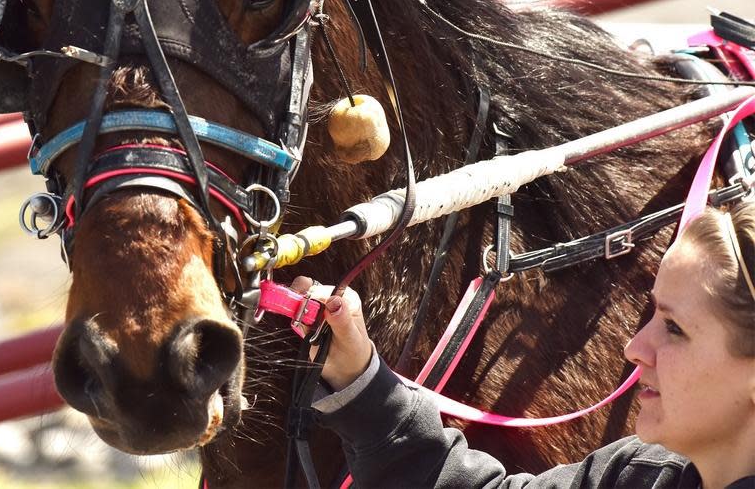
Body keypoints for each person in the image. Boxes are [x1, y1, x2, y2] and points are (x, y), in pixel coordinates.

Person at [292, 202, 755, 489]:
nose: (634, 348)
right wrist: (360, 378)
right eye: (650, 313)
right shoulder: (640, 474)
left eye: (674, 328)